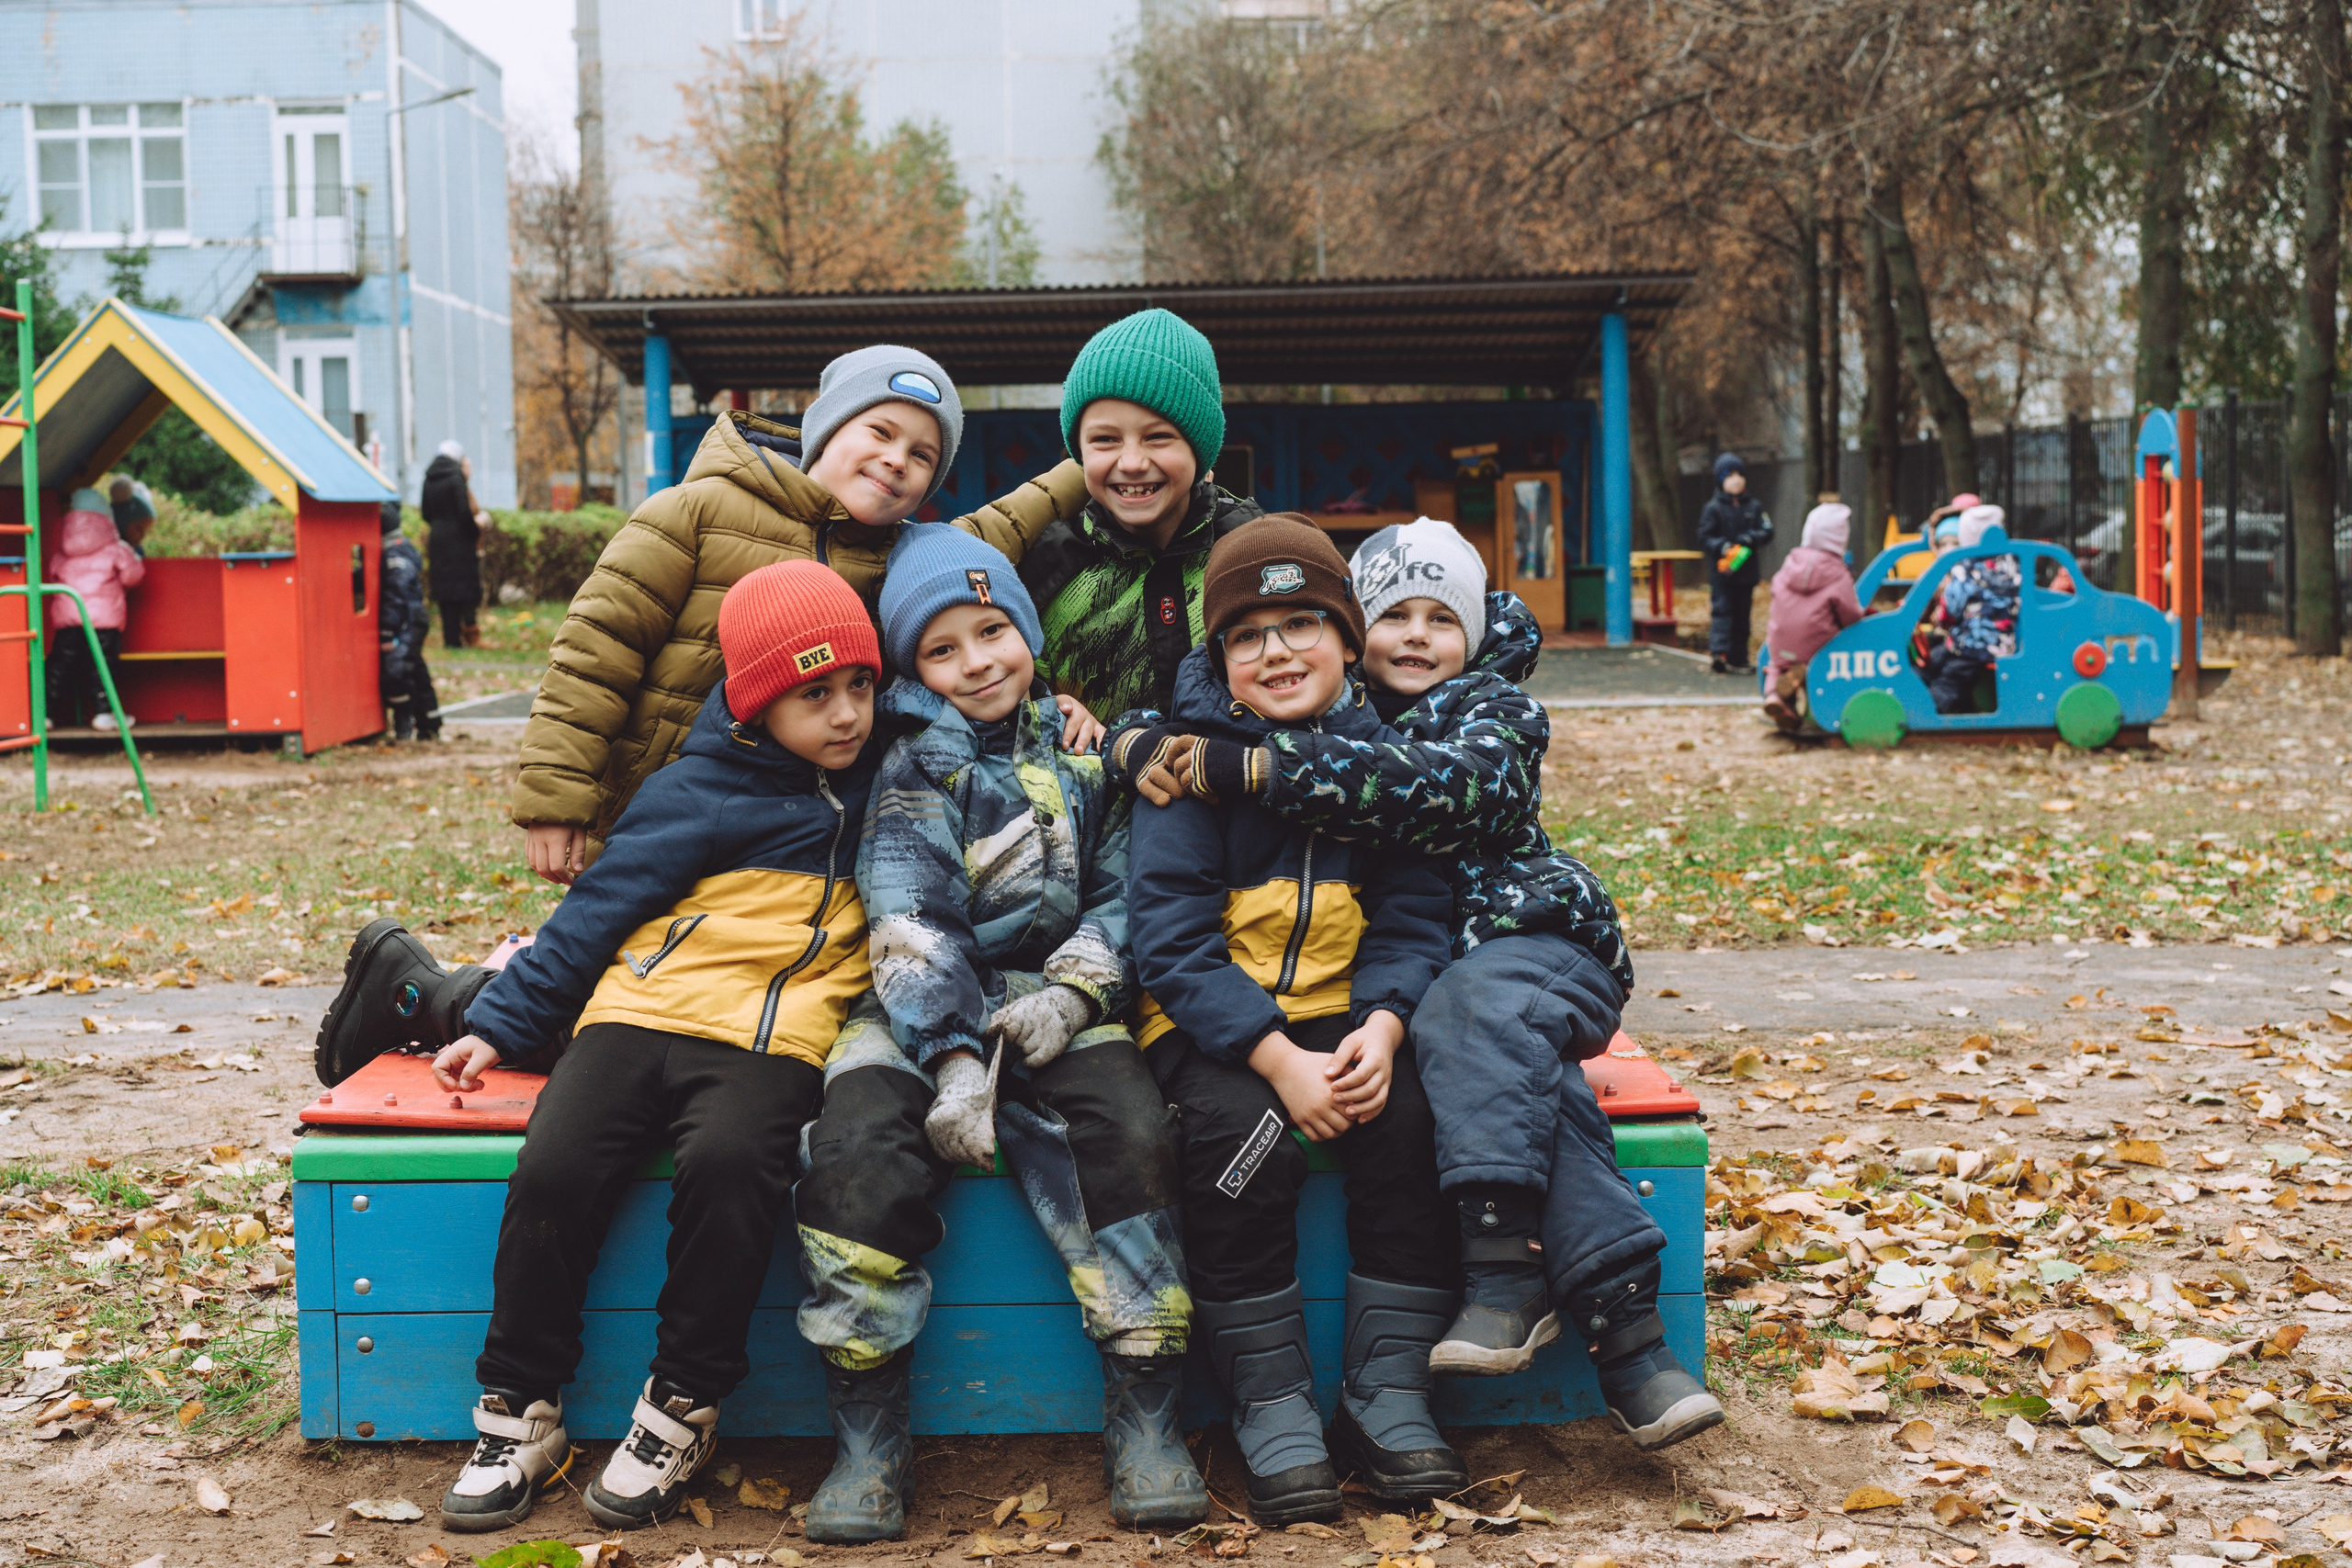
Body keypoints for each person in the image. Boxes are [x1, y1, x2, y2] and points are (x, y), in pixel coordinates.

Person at [1109, 520, 1719, 1453]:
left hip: (1532, 943)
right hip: (1444, 988)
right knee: (1519, 1088)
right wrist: (1128, 743)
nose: (1416, 636)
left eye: (1442, 616)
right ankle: (1630, 1344)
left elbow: (1436, 792)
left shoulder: (1482, 712)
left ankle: (1498, 1285)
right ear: (1364, 633)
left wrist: (1257, 769)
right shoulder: (1346, 717)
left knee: (1466, 1046)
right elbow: (1191, 746)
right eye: (1395, 613)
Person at [312, 561, 887, 1533]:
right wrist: (496, 1024)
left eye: (860, 687)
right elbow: (592, 916)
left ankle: (680, 1408)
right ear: (753, 705)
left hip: (767, 1037)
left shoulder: (892, 773)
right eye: (813, 695)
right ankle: (517, 1409)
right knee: (556, 1168)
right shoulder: (696, 792)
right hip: (638, 1014)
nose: (844, 716)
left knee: (733, 1165)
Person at [792, 526, 1201, 1541]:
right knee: (853, 1151)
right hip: (916, 1006)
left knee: (1132, 1132)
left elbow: (1125, 894)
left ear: (1025, 632)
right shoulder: (909, 765)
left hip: (1061, 999)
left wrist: (1074, 995)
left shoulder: (1084, 756)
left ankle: (1146, 1404)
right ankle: (866, 1426)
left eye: (993, 632)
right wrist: (958, 1060)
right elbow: (908, 913)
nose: (978, 662)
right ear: (912, 669)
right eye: (942, 649)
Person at [1126, 516, 1462, 1525]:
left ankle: (1385, 1392)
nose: (1276, 652)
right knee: (1244, 1141)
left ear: (1348, 639)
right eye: (1247, 635)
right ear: (1218, 660)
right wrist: (1275, 1058)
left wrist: (1387, 1025)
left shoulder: (1380, 766)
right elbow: (1171, 944)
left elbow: (1415, 914)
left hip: (1346, 1011)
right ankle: (1269, 1402)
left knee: (1409, 1125)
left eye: (1303, 623)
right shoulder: (1187, 768)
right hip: (1217, 1027)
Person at [512, 345, 1090, 887]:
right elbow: (595, 655)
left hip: (788, 839)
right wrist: (557, 798)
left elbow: (1008, 522)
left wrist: (1097, 461)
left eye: (922, 456)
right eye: (880, 432)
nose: (896, 460)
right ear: (827, 430)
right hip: (651, 810)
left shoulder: (902, 558)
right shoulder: (693, 512)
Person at [1017, 308, 1264, 720]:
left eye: (1158, 437)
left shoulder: (1257, 552)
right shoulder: (1047, 567)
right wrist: (1049, 711)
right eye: (1105, 439)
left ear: (1200, 451)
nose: (1131, 462)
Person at [46, 487, 145, 731]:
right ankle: (103, 714)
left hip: (69, 618)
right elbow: (133, 577)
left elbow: (52, 574)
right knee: (101, 666)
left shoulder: (63, 550)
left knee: (59, 666)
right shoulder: (116, 548)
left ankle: (46, 714)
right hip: (104, 620)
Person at [1760, 503, 1863, 733]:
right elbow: (1851, 615)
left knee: (1777, 664)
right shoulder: (1837, 573)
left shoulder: (1789, 563)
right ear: (1840, 540)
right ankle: (1804, 688)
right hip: (1816, 646)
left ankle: (1774, 696)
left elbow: (1775, 590)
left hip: (1781, 641)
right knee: (1821, 659)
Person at [1925, 503, 2018, 715]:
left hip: (1971, 645)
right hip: (2001, 643)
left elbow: (1951, 606)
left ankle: (1929, 710)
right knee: (1938, 659)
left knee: (1948, 679)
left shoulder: (1965, 568)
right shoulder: (2010, 563)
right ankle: (1963, 707)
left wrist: (1942, 621)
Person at [1695, 453, 1771, 674]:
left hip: (1746, 574)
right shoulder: (1713, 508)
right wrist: (1723, 546)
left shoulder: (1754, 507)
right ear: (1721, 480)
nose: (1736, 480)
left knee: (1742, 616)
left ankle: (1739, 658)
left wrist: (1749, 538)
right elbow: (1704, 536)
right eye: (1730, 476)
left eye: (1740, 475)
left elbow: (1767, 531)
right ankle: (1719, 653)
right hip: (1723, 574)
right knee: (1722, 612)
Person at [378, 500, 440, 740]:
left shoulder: (394, 554)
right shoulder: (397, 549)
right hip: (411, 618)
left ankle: (405, 719)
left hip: (407, 621)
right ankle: (429, 722)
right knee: (414, 669)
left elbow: (397, 596)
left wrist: (386, 632)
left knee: (397, 670)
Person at [421, 440, 488, 650]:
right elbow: (463, 512)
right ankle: (467, 635)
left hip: (438, 539)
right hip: (459, 540)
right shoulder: (455, 477)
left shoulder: (428, 478)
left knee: (444, 590)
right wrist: (475, 529)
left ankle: (450, 639)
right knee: (464, 588)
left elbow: (425, 512)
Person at [107, 476, 154, 557]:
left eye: (146, 531)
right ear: (121, 521)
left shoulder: (137, 551)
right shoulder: (105, 546)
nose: (143, 535)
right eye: (139, 529)